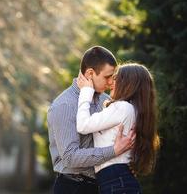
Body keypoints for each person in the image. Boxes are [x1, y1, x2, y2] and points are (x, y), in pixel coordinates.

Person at [47, 46, 135, 194]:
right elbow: (70, 158)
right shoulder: (64, 105)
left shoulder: (106, 101)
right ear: (90, 73)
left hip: (103, 185)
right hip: (73, 187)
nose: (111, 83)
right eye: (107, 77)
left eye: (113, 78)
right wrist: (114, 151)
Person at [76, 62, 160, 194]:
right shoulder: (135, 110)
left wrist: (86, 91)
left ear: (129, 84)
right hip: (120, 180)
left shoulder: (122, 107)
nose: (111, 83)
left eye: (116, 79)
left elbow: (83, 125)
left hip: (116, 181)